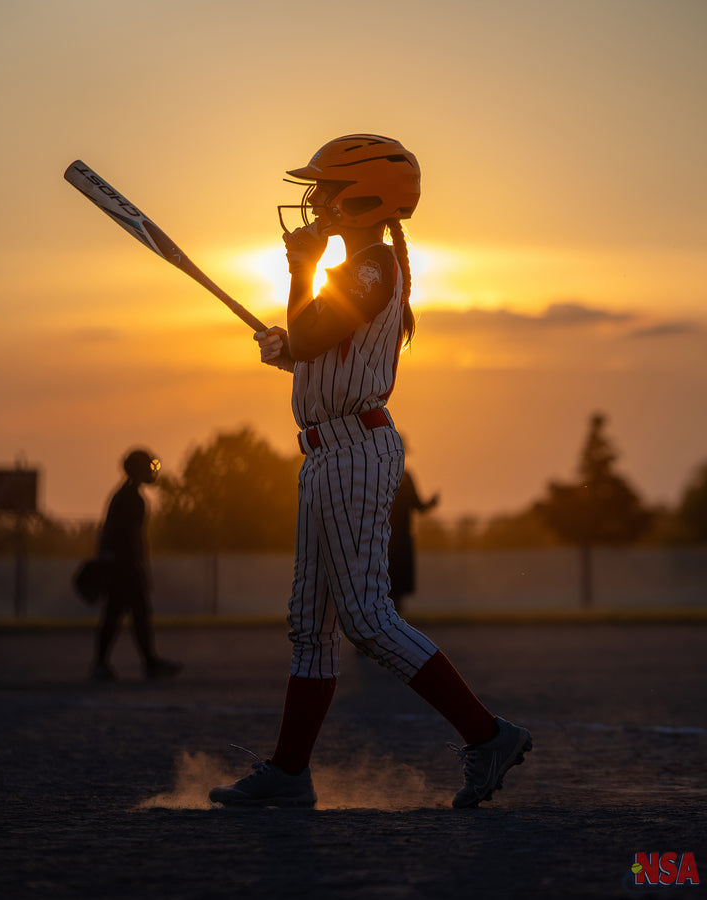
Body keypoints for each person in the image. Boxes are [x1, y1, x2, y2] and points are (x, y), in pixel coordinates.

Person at [209, 135, 531, 809]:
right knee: (310, 623)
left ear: (363, 198)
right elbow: (314, 346)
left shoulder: (372, 266)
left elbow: (312, 335)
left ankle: (488, 735)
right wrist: (287, 347)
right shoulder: (358, 269)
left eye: (327, 189)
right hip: (326, 451)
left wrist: (300, 277)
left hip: (355, 451)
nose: (315, 200)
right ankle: (290, 774)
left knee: (366, 617)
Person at [91, 448, 182, 682]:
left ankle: (132, 662)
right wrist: (141, 566)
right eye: (148, 467)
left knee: (122, 614)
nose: (152, 471)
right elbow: (134, 537)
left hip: (119, 566)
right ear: (138, 469)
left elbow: (107, 532)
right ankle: (142, 664)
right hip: (126, 567)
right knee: (129, 614)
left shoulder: (122, 494)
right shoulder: (133, 499)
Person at [388, 467, 439, 615]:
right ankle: (392, 616)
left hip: (396, 537)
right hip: (389, 538)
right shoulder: (391, 474)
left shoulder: (392, 474)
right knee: (391, 580)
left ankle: (395, 616)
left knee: (397, 582)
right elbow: (419, 506)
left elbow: (418, 505)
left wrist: (430, 503)